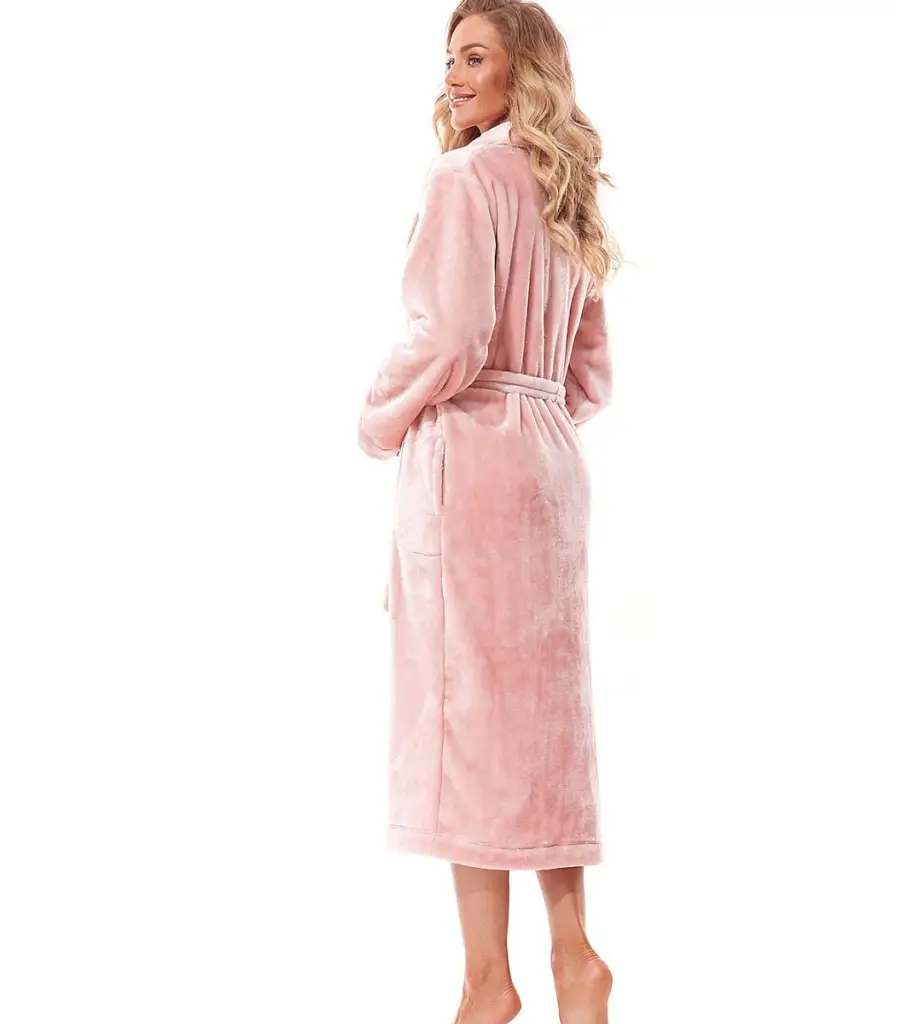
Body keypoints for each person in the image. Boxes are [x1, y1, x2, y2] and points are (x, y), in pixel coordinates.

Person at [357, 2, 620, 1021]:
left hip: (470, 462)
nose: (455, 76)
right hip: (550, 462)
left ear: (523, 72)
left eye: (475, 57)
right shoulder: (566, 186)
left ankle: (485, 980)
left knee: (465, 714)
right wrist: (534, 415)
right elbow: (590, 374)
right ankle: (573, 955)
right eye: (450, 58)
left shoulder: (464, 179)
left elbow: (452, 334)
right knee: (543, 721)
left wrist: (381, 417)